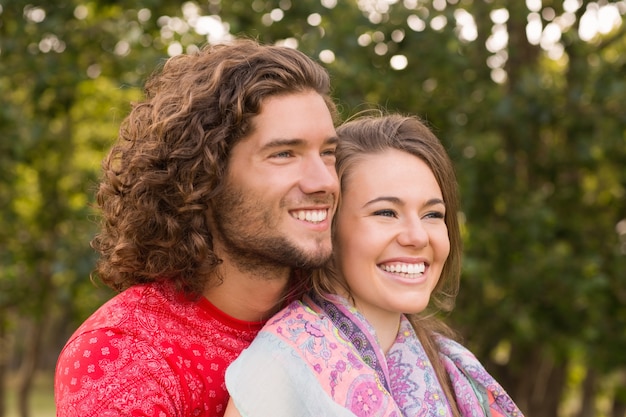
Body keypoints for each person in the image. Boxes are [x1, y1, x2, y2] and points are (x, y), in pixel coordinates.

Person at [54, 38, 340, 417]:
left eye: (328, 153)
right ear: (204, 176)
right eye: (284, 154)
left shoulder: (342, 310)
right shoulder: (123, 355)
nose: (324, 181)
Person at [225, 114, 524, 417]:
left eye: (432, 215)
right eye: (386, 212)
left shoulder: (454, 369)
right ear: (328, 225)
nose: (417, 236)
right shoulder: (278, 373)